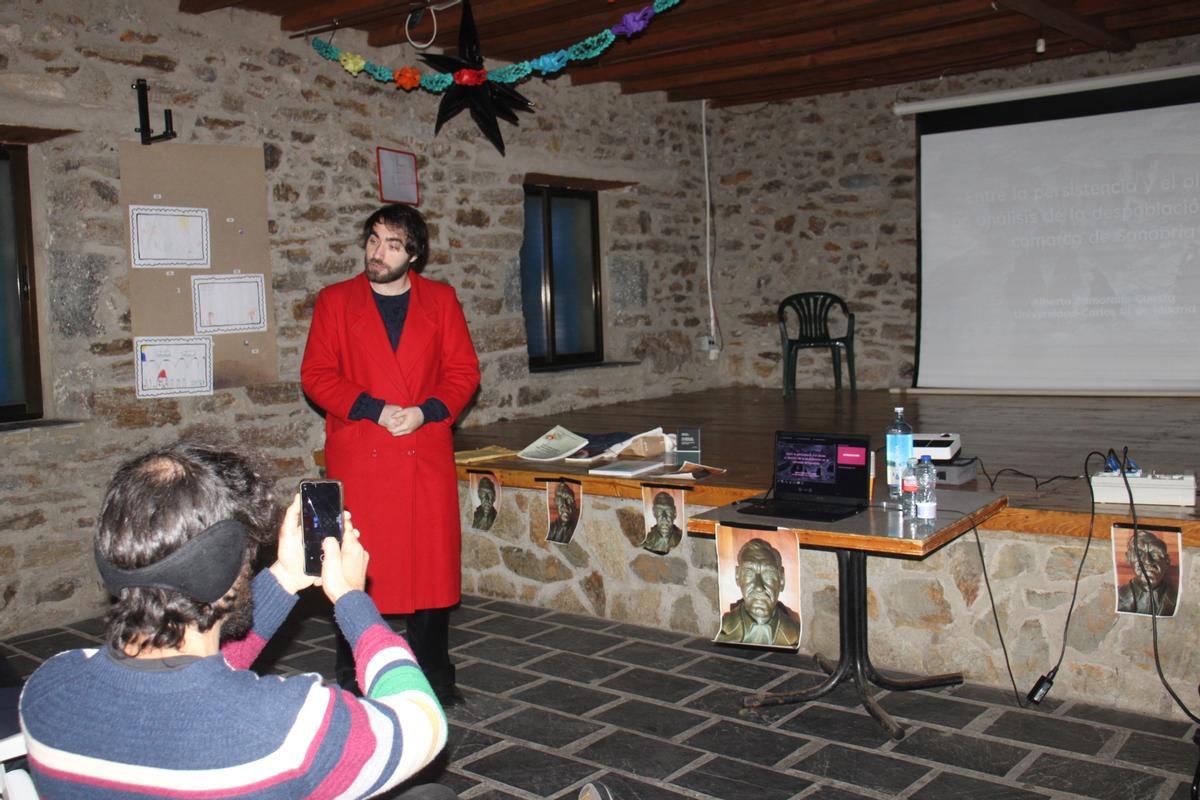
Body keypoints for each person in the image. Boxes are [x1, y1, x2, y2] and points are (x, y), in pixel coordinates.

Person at [18, 441, 453, 799]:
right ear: (226, 564)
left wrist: (284, 577)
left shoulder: (47, 689)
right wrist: (352, 601)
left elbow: (205, 663)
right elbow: (423, 724)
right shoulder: (291, 727)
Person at [302, 203, 480, 705]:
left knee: (430, 569)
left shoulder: (441, 301)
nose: (378, 253)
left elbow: (464, 372)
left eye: (393, 245)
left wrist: (426, 411)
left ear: (415, 255)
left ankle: (434, 677)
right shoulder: (336, 302)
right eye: (374, 240)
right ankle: (355, 671)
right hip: (364, 451)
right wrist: (374, 408)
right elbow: (316, 375)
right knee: (354, 566)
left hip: (421, 449)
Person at [715, 538, 802, 648]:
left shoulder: (795, 634)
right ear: (737, 576)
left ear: (782, 579)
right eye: (749, 572)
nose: (759, 587)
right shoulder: (722, 627)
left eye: (768, 573)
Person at [1116, 529, 1178, 616]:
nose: (1148, 561)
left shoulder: (1178, 597)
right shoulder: (1116, 596)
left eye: (1155, 554)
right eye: (1139, 554)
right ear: (1128, 559)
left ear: (1167, 561)